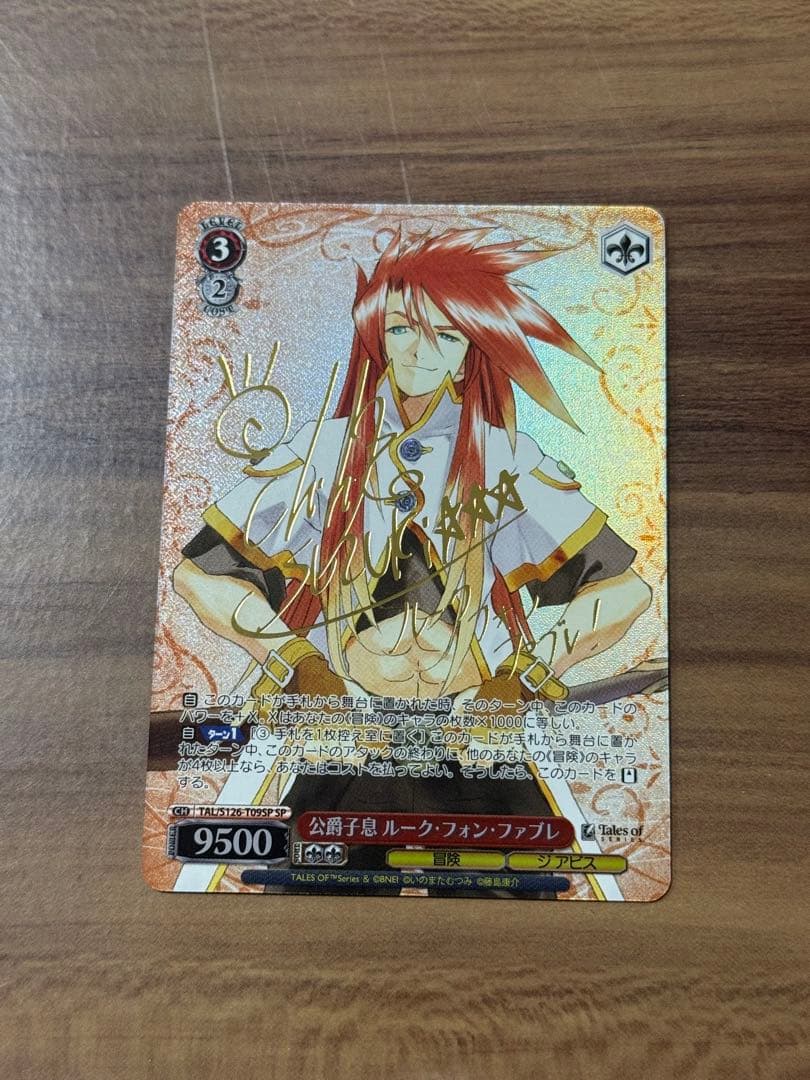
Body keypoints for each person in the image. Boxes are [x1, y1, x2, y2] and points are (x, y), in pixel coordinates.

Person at [173, 228, 666, 839]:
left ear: (471, 350)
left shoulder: (508, 459)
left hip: (472, 733)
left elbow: (624, 591)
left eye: (449, 334)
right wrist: (298, 662)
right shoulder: (320, 453)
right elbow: (199, 575)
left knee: (515, 882)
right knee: (316, 879)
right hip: (349, 729)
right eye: (403, 328)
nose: (421, 350)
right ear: (376, 334)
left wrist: (523, 677)